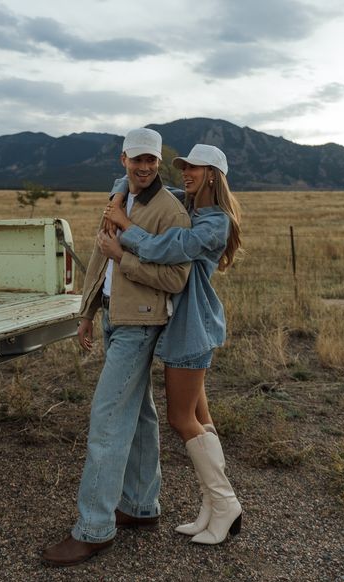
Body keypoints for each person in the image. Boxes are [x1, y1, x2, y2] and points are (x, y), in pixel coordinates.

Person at [41, 128, 191, 567]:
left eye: (151, 161)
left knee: (107, 421)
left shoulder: (170, 210)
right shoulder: (118, 197)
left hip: (141, 324)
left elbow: (175, 279)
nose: (144, 167)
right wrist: (87, 312)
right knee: (139, 415)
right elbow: (99, 256)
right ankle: (142, 506)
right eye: (136, 159)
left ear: (159, 162)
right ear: (123, 158)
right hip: (113, 317)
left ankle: (94, 529)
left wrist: (124, 254)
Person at [100, 144, 243, 545]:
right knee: (200, 419)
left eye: (194, 169)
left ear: (213, 174)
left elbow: (169, 249)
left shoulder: (216, 222)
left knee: (181, 420)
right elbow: (133, 180)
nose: (186, 174)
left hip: (191, 325)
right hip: (181, 323)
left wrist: (125, 227)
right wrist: (117, 197)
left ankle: (226, 502)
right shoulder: (188, 202)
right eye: (183, 168)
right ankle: (213, 506)